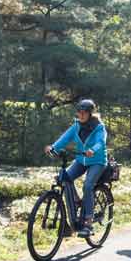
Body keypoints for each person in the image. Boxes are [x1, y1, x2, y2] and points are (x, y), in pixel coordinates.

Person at [44, 98, 108, 238]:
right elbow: (65, 138)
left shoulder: (99, 127)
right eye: (79, 112)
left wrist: (93, 149)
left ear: (90, 113)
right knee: (63, 177)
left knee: (88, 185)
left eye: (84, 112)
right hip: (81, 160)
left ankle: (88, 223)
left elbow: (101, 142)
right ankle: (78, 202)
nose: (81, 114)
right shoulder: (76, 126)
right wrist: (53, 147)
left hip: (97, 161)